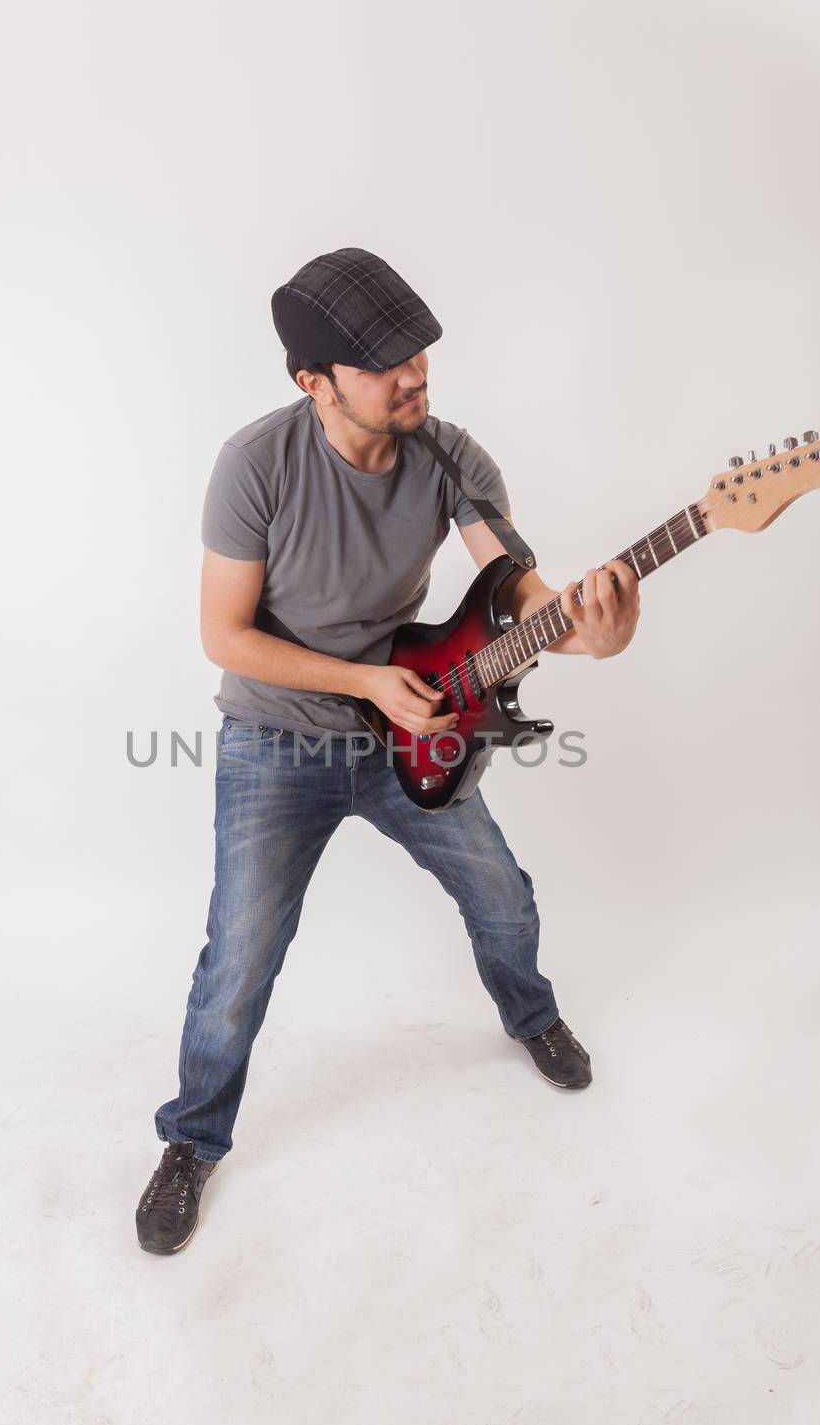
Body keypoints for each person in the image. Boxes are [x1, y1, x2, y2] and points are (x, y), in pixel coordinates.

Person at [136, 246, 640, 1255]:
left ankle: (529, 1014)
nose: (414, 375)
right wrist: (365, 680)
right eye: (384, 365)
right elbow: (223, 635)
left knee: (502, 895)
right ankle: (192, 1139)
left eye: (417, 354)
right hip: (275, 741)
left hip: (414, 735)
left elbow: (515, 593)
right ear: (312, 382)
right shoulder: (254, 465)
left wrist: (590, 628)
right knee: (238, 958)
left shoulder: (448, 454)